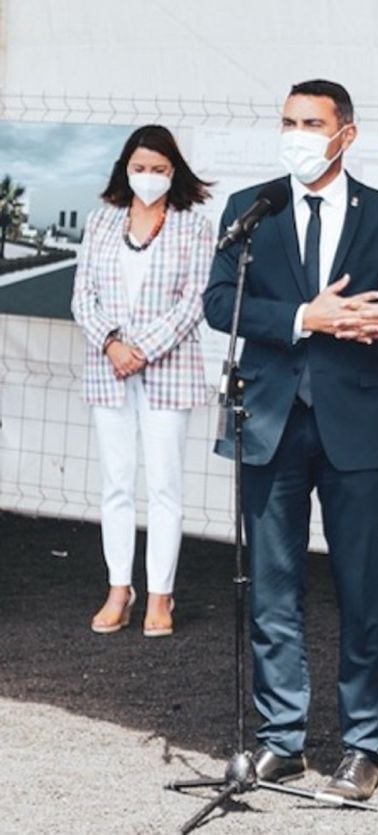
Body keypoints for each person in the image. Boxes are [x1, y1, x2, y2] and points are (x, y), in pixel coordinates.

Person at [202, 80, 378, 800]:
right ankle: (283, 739)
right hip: (269, 420)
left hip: (355, 427)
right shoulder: (252, 207)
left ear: (347, 134)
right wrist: (305, 315)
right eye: (288, 120)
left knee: (362, 588)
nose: (298, 133)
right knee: (272, 590)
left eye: (313, 122)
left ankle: (365, 743)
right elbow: (219, 302)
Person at [71, 124, 214, 639]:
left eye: (158, 169)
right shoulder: (102, 221)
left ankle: (160, 593)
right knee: (115, 482)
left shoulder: (193, 226)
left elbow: (195, 301)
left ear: (174, 172)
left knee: (163, 485)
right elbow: (81, 294)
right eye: (139, 168)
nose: (148, 178)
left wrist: (143, 350)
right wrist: (112, 343)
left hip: (166, 370)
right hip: (108, 366)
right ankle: (118, 588)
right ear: (124, 169)